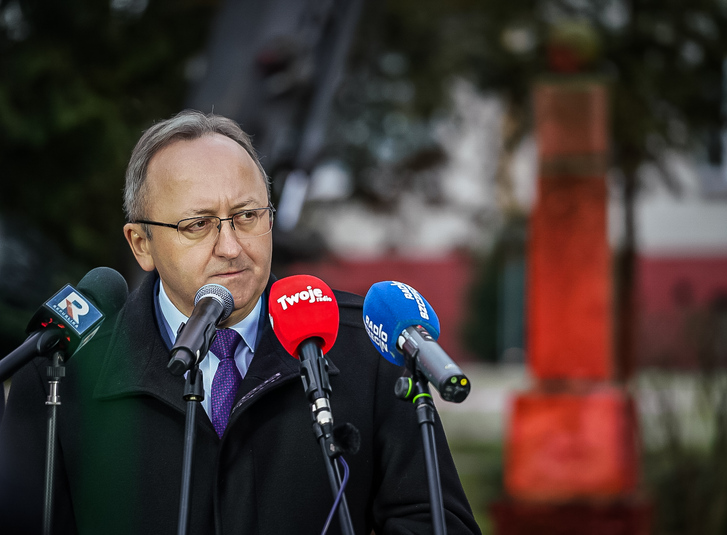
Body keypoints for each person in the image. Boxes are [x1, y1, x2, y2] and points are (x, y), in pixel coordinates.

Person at [0, 110, 481, 534]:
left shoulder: (364, 346)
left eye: (248, 215)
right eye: (198, 224)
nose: (231, 247)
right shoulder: (59, 374)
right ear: (141, 244)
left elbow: (436, 522)